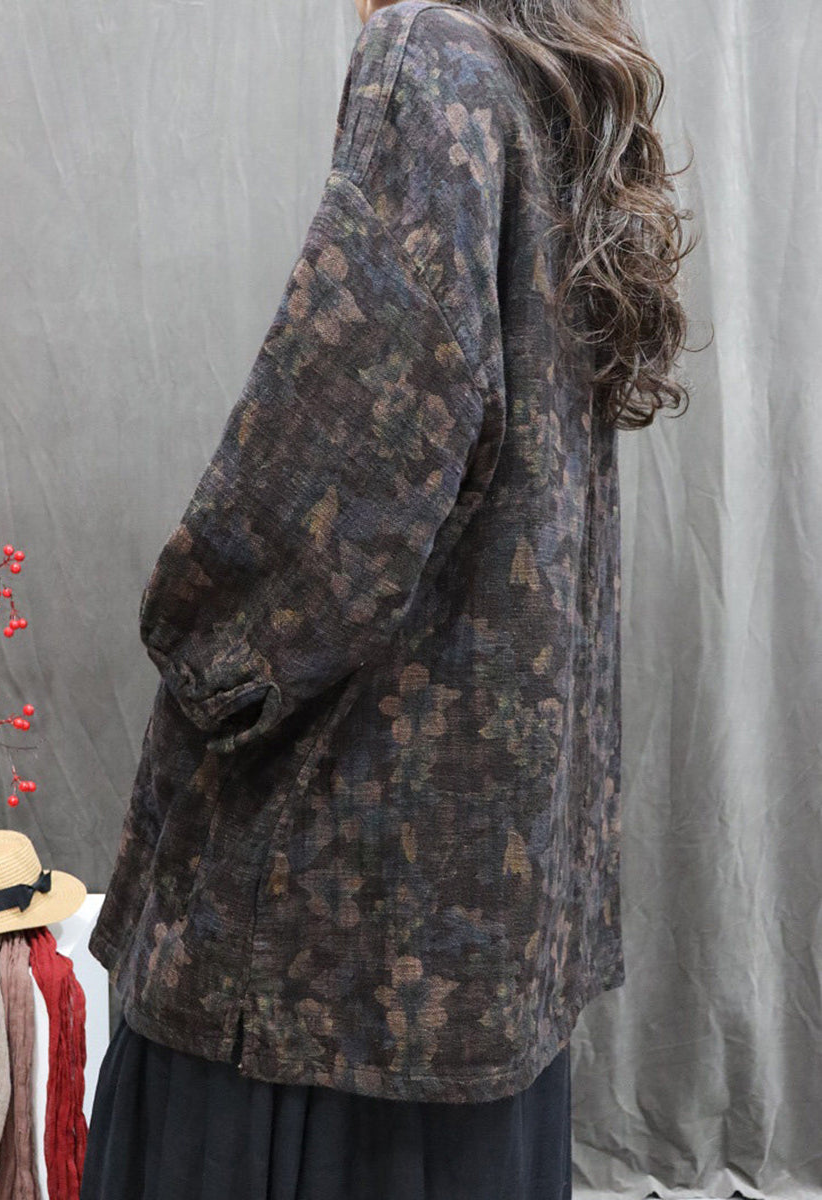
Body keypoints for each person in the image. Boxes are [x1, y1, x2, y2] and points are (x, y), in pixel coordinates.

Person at [81, 0, 693, 1196]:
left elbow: (356, 441)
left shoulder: (433, 54)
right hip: (484, 909)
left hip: (334, 925)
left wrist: (206, 647)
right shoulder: (551, 88)